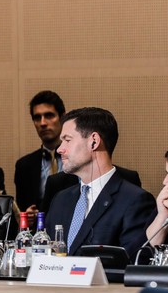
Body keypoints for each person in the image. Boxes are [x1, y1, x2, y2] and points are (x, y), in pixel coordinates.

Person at [45, 107, 155, 259]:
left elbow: (133, 263)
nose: (60, 149)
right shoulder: (60, 200)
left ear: (94, 141)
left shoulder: (135, 201)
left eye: (67, 140)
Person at [14, 91, 64, 221]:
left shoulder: (79, 159)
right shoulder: (24, 166)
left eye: (49, 115)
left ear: (62, 117)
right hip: (39, 234)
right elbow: (22, 208)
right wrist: (27, 216)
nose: (42, 123)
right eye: (37, 117)